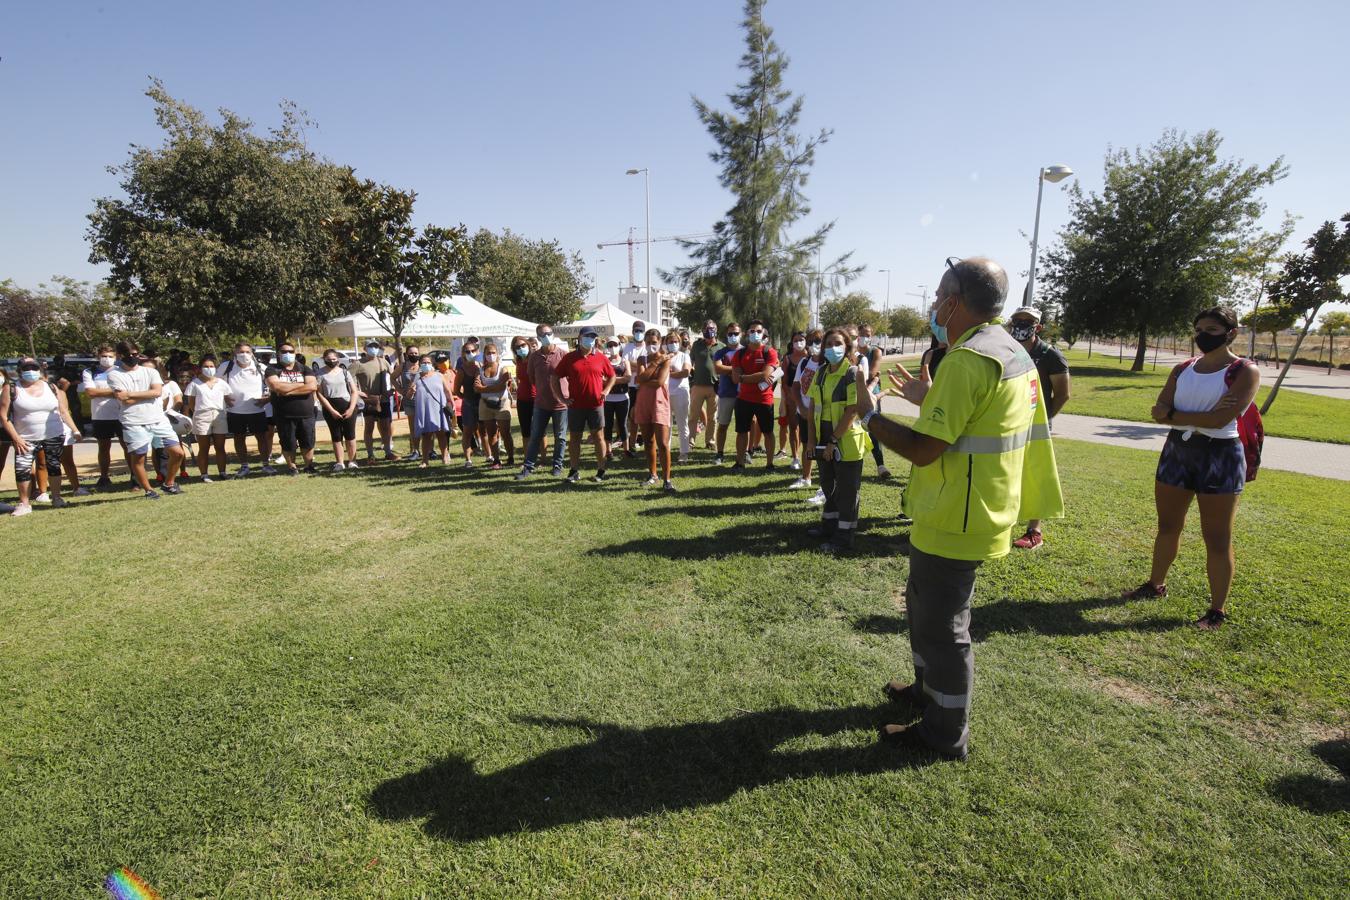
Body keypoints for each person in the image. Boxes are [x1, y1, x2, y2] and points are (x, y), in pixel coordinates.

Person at [856, 257, 1062, 761]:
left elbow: (927, 449)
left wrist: (868, 416)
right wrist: (932, 397)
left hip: (959, 514)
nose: (932, 304)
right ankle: (928, 697)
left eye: (939, 294)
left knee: (943, 627)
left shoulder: (968, 359)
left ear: (955, 301)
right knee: (925, 609)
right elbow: (976, 422)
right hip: (971, 507)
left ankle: (944, 733)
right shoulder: (1006, 349)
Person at [1123, 306, 1259, 630]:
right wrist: (1188, 416)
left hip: (1221, 455)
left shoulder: (1244, 371)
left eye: (1211, 330)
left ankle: (1217, 610)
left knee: (1217, 538)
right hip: (1178, 451)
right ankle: (1155, 584)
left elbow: (1220, 420)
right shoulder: (1183, 369)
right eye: (1198, 329)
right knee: (1168, 526)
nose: (1202, 336)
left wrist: (1176, 415)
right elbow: (1158, 411)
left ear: (1231, 333)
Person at [1006, 306, 1072, 550]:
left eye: (1028, 321)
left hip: (1035, 427)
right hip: (1009, 423)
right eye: (1018, 320)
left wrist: (1043, 421)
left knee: (1035, 474)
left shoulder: (1050, 355)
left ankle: (1034, 530)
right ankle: (1004, 521)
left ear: (1038, 326)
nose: (1022, 324)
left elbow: (1063, 394)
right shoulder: (1007, 349)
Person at [805, 329, 872, 552]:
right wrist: (811, 440)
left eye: (838, 343)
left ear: (847, 347)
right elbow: (813, 406)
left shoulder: (852, 373)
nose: (833, 347)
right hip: (824, 436)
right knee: (828, 484)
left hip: (845, 439)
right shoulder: (821, 372)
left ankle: (844, 537)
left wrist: (833, 440)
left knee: (847, 490)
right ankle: (829, 526)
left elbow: (852, 410)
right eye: (829, 343)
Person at [0, 357, 82, 515]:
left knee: (53, 466)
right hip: (25, 438)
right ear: (19, 371)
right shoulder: (11, 389)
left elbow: (63, 411)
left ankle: (57, 498)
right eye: (26, 368)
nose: (30, 371)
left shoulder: (51, 387)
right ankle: (24, 503)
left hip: (53, 434)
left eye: (33, 367)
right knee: (23, 469)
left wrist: (75, 430)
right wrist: (16, 438)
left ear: (40, 370)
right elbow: (4, 417)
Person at [107, 341, 186, 499]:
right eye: (128, 355)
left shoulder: (151, 372)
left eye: (135, 354)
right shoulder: (114, 374)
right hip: (134, 421)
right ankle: (149, 490)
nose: (132, 357)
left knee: (177, 453)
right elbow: (125, 400)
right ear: (120, 356)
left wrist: (131, 394)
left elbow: (157, 392)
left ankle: (169, 483)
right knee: (139, 458)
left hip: (158, 419)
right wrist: (145, 393)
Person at [553, 326, 617, 483]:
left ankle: (601, 470)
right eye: (587, 336)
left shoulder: (601, 357)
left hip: (596, 405)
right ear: (580, 338)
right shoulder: (569, 358)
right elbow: (554, 378)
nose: (590, 339)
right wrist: (562, 398)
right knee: (575, 438)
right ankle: (574, 470)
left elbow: (612, 376)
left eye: (592, 336)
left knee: (598, 437)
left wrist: (607, 390)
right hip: (575, 406)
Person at [517, 324, 569, 479]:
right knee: (536, 435)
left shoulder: (563, 355)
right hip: (541, 403)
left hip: (560, 404)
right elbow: (532, 378)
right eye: (543, 334)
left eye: (549, 333)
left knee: (560, 437)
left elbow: (570, 377)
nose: (546, 336)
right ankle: (528, 467)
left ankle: (557, 465)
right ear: (538, 337)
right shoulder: (534, 357)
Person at [219, 342, 275, 477]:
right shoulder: (226, 367)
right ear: (234, 353)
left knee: (261, 438)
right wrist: (225, 398)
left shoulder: (260, 367)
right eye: (240, 352)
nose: (244, 355)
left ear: (252, 354)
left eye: (247, 352)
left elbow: (275, 385)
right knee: (239, 438)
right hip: (235, 411)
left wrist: (267, 400)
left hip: (257, 410)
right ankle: (244, 466)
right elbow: (216, 384)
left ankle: (266, 465)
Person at [78, 345, 130, 490]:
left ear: (116, 357)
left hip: (122, 414)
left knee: (127, 446)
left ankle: (134, 476)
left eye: (110, 356)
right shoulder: (90, 372)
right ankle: (104, 477)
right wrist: (115, 391)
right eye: (104, 356)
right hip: (101, 415)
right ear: (98, 357)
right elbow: (91, 393)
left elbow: (128, 391)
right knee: (103, 447)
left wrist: (102, 391)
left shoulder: (123, 370)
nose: (107, 359)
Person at [731, 319, 779, 472]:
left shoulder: (769, 352)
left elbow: (765, 375)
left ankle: (770, 464)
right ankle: (740, 462)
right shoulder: (740, 353)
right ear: (746, 334)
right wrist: (753, 376)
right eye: (752, 331)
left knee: (768, 432)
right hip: (744, 399)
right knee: (741, 432)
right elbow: (734, 378)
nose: (755, 334)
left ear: (763, 333)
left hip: (765, 399)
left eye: (759, 331)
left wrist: (744, 377)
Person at [265, 342, 319, 475]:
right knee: (288, 442)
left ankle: (309, 465)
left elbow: (312, 387)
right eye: (284, 352)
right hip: (284, 414)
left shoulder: (304, 368)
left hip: (306, 413)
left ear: (295, 353)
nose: (287, 354)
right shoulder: (272, 369)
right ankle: (292, 467)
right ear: (278, 354)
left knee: (308, 441)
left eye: (290, 351)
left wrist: (287, 390)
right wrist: (300, 385)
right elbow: (276, 387)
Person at [633, 328, 676, 492]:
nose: (651, 345)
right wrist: (654, 365)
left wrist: (645, 379)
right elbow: (639, 379)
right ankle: (652, 475)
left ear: (660, 343)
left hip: (659, 403)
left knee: (663, 443)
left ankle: (667, 479)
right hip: (644, 402)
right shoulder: (641, 359)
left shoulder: (666, 359)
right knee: (648, 441)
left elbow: (659, 382)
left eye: (654, 342)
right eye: (648, 342)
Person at [184, 355, 231, 481]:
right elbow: (191, 403)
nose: (209, 369)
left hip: (219, 415)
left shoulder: (221, 383)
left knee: (220, 446)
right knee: (204, 448)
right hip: (201, 416)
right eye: (206, 366)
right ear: (200, 368)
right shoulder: (194, 384)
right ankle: (204, 474)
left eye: (211, 366)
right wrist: (198, 414)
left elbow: (227, 398)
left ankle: (222, 472)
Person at [350, 340, 399, 462]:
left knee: (385, 428)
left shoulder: (383, 361)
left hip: (384, 400)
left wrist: (392, 389)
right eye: (371, 346)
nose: (374, 349)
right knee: (369, 427)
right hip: (369, 401)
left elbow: (393, 376)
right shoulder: (358, 364)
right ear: (365, 348)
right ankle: (370, 455)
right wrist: (359, 393)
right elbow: (347, 380)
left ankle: (388, 452)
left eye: (376, 346)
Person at [315, 349, 362, 472]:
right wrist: (331, 410)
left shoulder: (345, 372)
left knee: (350, 435)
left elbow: (354, 391)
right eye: (329, 359)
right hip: (330, 407)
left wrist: (351, 408)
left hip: (347, 405)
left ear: (338, 360)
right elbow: (319, 394)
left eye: (334, 359)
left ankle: (352, 461)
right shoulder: (320, 374)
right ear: (324, 359)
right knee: (336, 436)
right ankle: (340, 462)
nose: (332, 361)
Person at [790, 330, 824, 496]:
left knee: (823, 447)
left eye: (818, 341)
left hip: (822, 414)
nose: (813, 345)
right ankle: (806, 477)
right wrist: (802, 408)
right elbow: (795, 387)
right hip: (803, 413)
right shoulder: (804, 362)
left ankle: (825, 484)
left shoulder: (827, 364)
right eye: (810, 341)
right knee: (807, 444)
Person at [857, 322, 891, 478]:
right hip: (854, 394)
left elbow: (871, 373)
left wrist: (856, 375)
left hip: (871, 395)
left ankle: (881, 465)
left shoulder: (875, 352)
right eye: (862, 334)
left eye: (868, 335)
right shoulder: (853, 352)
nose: (865, 337)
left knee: (873, 428)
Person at [475, 342, 515, 469]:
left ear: (497, 354)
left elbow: (502, 386)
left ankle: (510, 457)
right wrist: (491, 388)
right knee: (491, 433)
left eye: (493, 353)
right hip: (485, 404)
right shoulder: (480, 370)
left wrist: (484, 388)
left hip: (502, 403)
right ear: (484, 355)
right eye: (488, 353)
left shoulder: (503, 368)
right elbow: (476, 388)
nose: (491, 355)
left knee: (505, 432)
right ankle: (496, 460)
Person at [410, 353, 455, 466]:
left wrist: (452, 403)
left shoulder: (439, 375)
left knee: (441, 434)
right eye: (423, 363)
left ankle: (445, 456)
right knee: (426, 435)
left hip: (438, 409)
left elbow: (447, 391)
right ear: (420, 364)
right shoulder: (417, 378)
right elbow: (409, 395)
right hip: (424, 410)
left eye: (428, 362)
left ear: (432, 364)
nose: (426, 364)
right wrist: (412, 389)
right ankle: (425, 460)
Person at [687, 320, 723, 452]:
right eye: (706, 328)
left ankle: (710, 441)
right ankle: (690, 441)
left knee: (712, 417)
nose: (709, 330)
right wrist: (690, 380)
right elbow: (690, 363)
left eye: (711, 328)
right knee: (693, 416)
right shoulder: (696, 345)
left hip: (715, 387)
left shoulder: (721, 347)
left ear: (716, 329)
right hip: (697, 386)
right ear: (702, 330)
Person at [711, 323, 741, 464]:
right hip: (726, 393)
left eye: (735, 333)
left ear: (741, 334)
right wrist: (737, 369)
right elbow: (717, 368)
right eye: (730, 334)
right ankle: (720, 453)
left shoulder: (746, 351)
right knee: (722, 425)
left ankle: (745, 453)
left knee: (744, 428)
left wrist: (727, 368)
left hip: (744, 394)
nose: (733, 336)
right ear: (726, 335)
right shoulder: (721, 352)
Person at [664, 333, 693, 463]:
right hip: (665, 393)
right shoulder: (664, 357)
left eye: (676, 341)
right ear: (666, 343)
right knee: (666, 424)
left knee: (682, 423)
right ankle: (666, 451)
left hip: (681, 392)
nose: (673, 343)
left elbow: (686, 372)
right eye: (670, 341)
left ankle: (684, 452)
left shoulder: (684, 356)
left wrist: (670, 374)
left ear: (680, 342)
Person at [603, 338, 632, 460]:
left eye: (615, 345)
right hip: (608, 399)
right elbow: (601, 380)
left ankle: (627, 450)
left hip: (623, 398)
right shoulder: (604, 361)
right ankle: (608, 451)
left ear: (619, 345)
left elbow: (628, 378)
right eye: (610, 345)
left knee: (623, 424)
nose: (612, 347)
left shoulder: (625, 361)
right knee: (608, 425)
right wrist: (618, 379)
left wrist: (611, 380)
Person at [455, 338, 482, 468]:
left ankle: (489, 455)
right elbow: (456, 390)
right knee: (467, 431)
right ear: (463, 353)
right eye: (467, 351)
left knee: (484, 430)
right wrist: (466, 398)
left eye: (473, 350)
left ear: (477, 351)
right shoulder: (461, 370)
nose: (470, 353)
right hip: (469, 403)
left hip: (482, 402)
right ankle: (468, 460)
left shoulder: (481, 366)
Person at [395, 344, 424, 461]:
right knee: (413, 428)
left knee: (426, 426)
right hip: (409, 401)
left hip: (423, 400)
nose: (413, 355)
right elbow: (392, 378)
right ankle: (416, 451)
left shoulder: (423, 366)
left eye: (416, 353)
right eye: (411, 353)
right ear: (406, 354)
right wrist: (400, 390)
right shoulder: (402, 366)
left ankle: (430, 450)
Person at [622, 320, 646, 450]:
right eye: (636, 331)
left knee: (643, 416)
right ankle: (632, 444)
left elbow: (648, 366)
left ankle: (645, 441)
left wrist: (634, 365)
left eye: (640, 331)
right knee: (632, 416)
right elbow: (626, 364)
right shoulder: (628, 347)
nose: (638, 333)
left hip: (644, 386)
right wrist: (641, 365)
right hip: (630, 386)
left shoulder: (647, 347)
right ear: (632, 332)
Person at [510, 336, 536, 451]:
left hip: (537, 399)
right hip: (522, 400)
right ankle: (528, 460)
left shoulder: (536, 358)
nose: (521, 348)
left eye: (523, 345)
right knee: (525, 431)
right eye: (517, 347)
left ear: (528, 345)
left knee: (540, 430)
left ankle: (543, 460)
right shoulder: (518, 361)